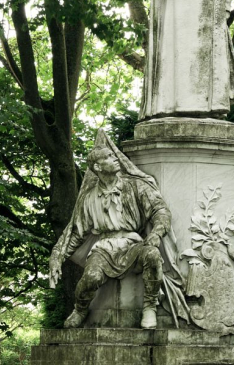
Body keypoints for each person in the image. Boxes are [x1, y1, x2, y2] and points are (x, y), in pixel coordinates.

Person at [49, 131, 173, 329]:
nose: (115, 158)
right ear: (97, 167)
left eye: (113, 155)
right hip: (104, 248)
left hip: (133, 244)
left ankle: (150, 306)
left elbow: (161, 211)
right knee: (91, 278)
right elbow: (76, 233)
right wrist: (57, 256)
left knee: (152, 255)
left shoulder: (136, 186)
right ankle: (80, 309)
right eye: (108, 157)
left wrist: (156, 233)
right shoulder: (88, 198)